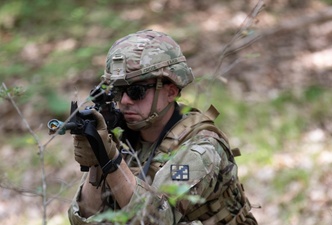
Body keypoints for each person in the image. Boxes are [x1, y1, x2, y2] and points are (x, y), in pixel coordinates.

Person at [68, 29, 258, 225]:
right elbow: (83, 218)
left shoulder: (202, 148)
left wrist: (111, 161)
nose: (124, 101)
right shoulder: (124, 138)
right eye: (118, 91)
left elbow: (156, 219)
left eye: (136, 91)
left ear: (171, 91)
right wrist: (97, 160)